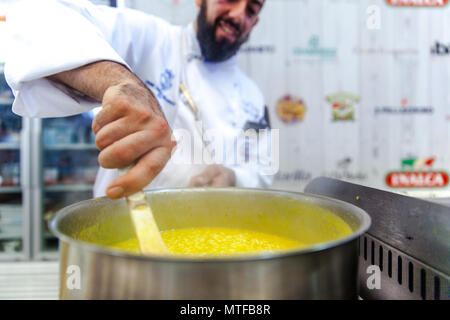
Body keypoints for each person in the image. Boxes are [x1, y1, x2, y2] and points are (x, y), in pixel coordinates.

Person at [5, 0, 273, 200]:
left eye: (251, 9)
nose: (238, 15)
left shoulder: (252, 95)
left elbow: (263, 169)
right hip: (124, 231)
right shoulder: (153, 39)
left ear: (257, 22)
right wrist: (120, 83)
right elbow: (36, 14)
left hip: (212, 241)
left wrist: (232, 176)